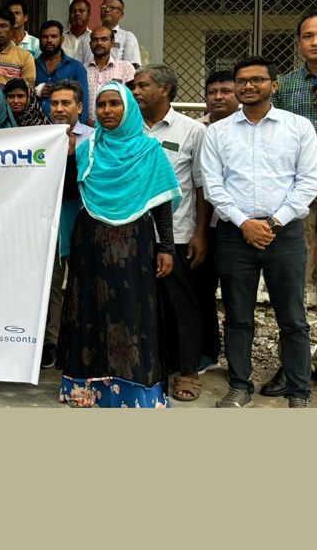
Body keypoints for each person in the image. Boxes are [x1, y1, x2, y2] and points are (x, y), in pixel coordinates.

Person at [202, 56, 317, 408]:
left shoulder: (298, 127)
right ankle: (240, 386)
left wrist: (273, 223)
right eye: (242, 81)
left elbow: (308, 182)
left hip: (284, 234)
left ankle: (298, 392)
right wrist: (244, 223)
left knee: (293, 319)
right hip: (235, 234)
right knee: (237, 316)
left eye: (257, 79)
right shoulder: (218, 132)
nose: (248, 86)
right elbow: (213, 185)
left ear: (274, 85)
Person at [59, 81, 180, 408]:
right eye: (101, 105)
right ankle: (87, 388)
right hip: (91, 243)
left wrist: (166, 247)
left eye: (115, 104)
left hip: (133, 244)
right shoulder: (87, 149)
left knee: (132, 310)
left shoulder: (149, 150)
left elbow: (161, 204)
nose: (107, 111)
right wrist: (69, 158)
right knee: (90, 309)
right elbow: (70, 193)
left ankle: (134, 390)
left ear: (129, 110)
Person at [269, 11, 317, 401]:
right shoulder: (284, 86)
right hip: (294, 193)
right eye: (308, 36)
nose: (315, 41)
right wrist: (306, 182)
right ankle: (291, 360)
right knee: (292, 277)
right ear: (299, 41)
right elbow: (275, 137)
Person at [132, 64, 209, 401]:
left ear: (165, 90)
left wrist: (201, 232)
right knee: (143, 306)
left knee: (181, 306)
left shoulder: (192, 131)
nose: (136, 92)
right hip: (134, 233)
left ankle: (188, 371)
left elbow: (201, 185)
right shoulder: (127, 128)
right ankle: (152, 369)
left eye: (142, 85)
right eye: (134, 86)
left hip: (177, 234)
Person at [41, 79, 94, 368]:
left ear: (80, 107)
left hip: (86, 224)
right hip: (49, 223)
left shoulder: (95, 139)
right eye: (54, 103)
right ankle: (51, 343)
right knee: (51, 285)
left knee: (84, 284)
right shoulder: (39, 138)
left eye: (66, 103)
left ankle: (82, 342)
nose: (59, 109)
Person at [195, 70, 239, 374]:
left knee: (237, 296)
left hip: (240, 226)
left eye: (226, 91)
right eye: (213, 92)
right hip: (206, 226)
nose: (218, 97)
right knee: (203, 291)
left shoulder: (248, 128)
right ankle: (208, 352)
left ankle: (239, 362)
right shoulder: (198, 129)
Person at [35, 20, 89, 123]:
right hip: (35, 127)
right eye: (45, 37)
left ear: (62, 39)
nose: (49, 40)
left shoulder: (76, 68)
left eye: (54, 36)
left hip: (65, 127)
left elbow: (83, 105)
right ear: (39, 40)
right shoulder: (32, 66)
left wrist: (77, 130)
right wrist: (37, 91)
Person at [82, 26, 135, 126]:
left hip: (118, 128)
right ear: (90, 44)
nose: (99, 43)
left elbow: (132, 100)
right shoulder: (82, 70)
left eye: (104, 39)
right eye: (95, 40)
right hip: (87, 127)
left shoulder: (126, 68)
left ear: (112, 43)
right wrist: (87, 121)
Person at [74, 0, 142, 67]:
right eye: (104, 7)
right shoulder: (86, 38)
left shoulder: (127, 37)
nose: (107, 10)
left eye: (112, 8)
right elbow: (76, 66)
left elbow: (132, 67)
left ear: (121, 15)